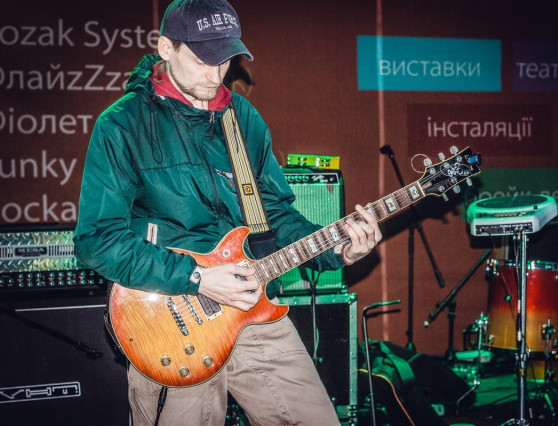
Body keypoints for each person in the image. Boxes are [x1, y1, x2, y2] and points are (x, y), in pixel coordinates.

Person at [73, 0, 382, 424]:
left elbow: (275, 217)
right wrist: (197, 277)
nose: (215, 74)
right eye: (203, 59)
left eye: (224, 60)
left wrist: (338, 249)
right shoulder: (122, 125)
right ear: (166, 48)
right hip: (172, 317)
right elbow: (97, 241)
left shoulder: (243, 119)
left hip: (252, 305)